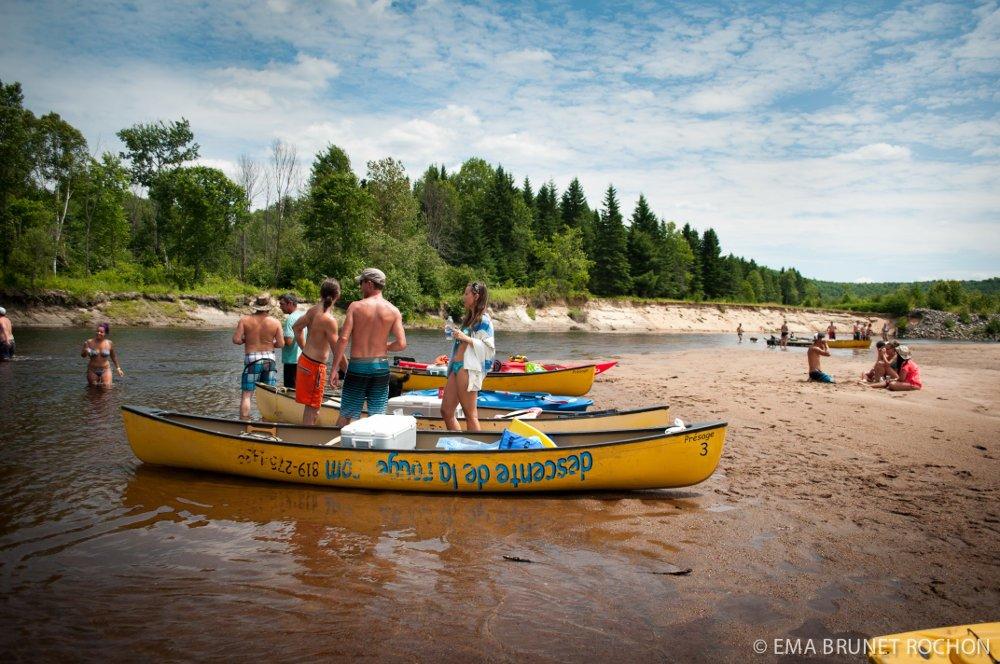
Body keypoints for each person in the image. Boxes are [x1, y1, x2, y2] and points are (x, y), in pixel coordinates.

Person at [331, 268, 406, 426]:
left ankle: (338, 448)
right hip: (381, 367)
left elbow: (343, 339)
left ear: (370, 284)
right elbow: (401, 344)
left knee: (347, 414)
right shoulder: (394, 311)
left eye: (361, 283)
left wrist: (334, 368)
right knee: (377, 416)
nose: (360, 287)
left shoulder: (356, 307)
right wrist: (384, 345)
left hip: (358, 367)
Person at [441, 281, 495, 432]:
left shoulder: (484, 320)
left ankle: (475, 451)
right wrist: (456, 333)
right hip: (456, 367)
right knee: (446, 411)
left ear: (476, 296)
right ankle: (458, 444)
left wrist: (464, 337)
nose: (463, 297)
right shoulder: (469, 318)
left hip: (468, 369)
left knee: (470, 415)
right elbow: (467, 340)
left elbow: (488, 348)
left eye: (466, 294)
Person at [292, 279, 348, 426]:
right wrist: (348, 370)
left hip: (304, 361)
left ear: (321, 293)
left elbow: (296, 328)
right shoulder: (329, 319)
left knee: (309, 406)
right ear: (337, 295)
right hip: (314, 367)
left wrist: (305, 348)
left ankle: (306, 437)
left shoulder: (313, 310)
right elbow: (338, 350)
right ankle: (308, 442)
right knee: (314, 409)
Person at [232, 294, 283, 419]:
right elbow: (281, 344)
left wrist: (247, 340)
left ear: (255, 306)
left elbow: (236, 339)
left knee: (247, 394)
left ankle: (245, 422)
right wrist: (270, 343)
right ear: (269, 307)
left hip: (252, 360)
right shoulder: (275, 322)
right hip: (269, 360)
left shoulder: (245, 320)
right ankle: (267, 422)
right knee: (269, 394)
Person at [81, 322, 124, 387]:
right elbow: (83, 356)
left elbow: (113, 356)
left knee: (107, 388)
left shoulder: (109, 343)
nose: (99, 333)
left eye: (101, 332)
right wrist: (85, 351)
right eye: (97, 331)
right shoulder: (88, 342)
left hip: (106, 369)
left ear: (105, 333)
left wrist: (118, 368)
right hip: (92, 370)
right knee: (93, 389)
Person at [279, 293, 304, 388]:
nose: (280, 307)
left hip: (291, 361)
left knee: (290, 391)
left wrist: (275, 340)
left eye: (282, 304)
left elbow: (288, 342)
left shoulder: (290, 318)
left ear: (290, 303)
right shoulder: (302, 316)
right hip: (302, 359)